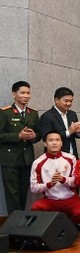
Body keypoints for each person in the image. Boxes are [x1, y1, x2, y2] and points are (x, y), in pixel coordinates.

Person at [29, 131, 80, 224]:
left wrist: (63, 179)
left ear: (61, 143)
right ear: (45, 143)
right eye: (51, 140)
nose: (54, 143)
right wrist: (50, 184)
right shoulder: (38, 162)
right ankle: (55, 226)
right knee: (36, 208)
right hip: (50, 200)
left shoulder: (71, 158)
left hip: (70, 198)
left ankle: (67, 226)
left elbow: (75, 182)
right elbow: (34, 188)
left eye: (57, 140)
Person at [0, 80, 40, 213]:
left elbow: (38, 135)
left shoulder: (33, 113)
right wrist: (18, 136)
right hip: (10, 160)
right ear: (14, 94)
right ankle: (13, 226)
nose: (26, 96)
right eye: (22, 92)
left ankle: (22, 223)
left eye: (28, 93)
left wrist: (34, 136)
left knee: (24, 194)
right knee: (13, 195)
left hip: (27, 159)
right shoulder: (5, 112)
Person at [38, 86, 80, 158]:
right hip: (55, 157)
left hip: (73, 155)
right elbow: (47, 138)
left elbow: (76, 136)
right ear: (56, 100)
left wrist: (78, 132)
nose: (69, 103)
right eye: (66, 101)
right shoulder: (47, 116)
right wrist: (68, 132)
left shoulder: (72, 114)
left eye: (71, 101)